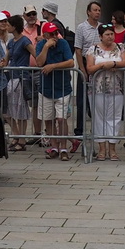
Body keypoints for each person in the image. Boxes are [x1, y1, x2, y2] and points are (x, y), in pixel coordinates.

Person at [32, 20, 77, 160]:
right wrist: (46, 47)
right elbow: (39, 62)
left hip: (62, 87)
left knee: (61, 119)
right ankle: (54, 147)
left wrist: (53, 66)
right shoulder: (40, 45)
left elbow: (70, 62)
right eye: (51, 34)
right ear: (45, 35)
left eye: (56, 33)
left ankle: (63, 148)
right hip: (46, 89)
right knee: (49, 119)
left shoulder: (63, 43)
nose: (55, 36)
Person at [84, 24, 125, 160]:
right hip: (97, 89)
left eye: (112, 34)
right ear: (100, 36)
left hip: (117, 88)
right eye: (107, 34)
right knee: (99, 118)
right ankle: (101, 149)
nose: (110, 37)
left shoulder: (121, 47)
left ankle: (112, 149)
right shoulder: (93, 49)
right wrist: (103, 65)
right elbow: (90, 68)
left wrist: (114, 64)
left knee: (114, 118)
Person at [5, 13, 32, 149]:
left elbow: (35, 55)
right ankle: (17, 135)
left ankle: (21, 139)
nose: (7, 27)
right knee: (9, 110)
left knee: (20, 109)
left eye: (9, 25)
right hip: (12, 77)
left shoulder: (25, 41)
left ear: (14, 27)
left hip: (21, 77)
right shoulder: (11, 42)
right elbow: (6, 58)